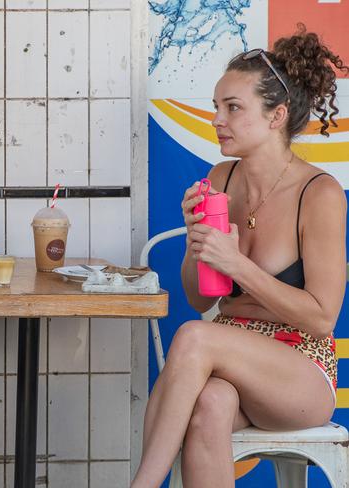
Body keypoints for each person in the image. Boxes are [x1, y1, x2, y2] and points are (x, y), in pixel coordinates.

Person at [131, 28, 348, 488]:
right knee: (208, 406)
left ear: (277, 115)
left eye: (233, 107)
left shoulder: (319, 193)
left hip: (299, 371)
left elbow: (323, 318)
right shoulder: (221, 178)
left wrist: (237, 265)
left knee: (194, 336)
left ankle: (142, 486)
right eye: (216, 107)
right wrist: (198, 239)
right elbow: (196, 296)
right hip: (228, 354)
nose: (217, 119)